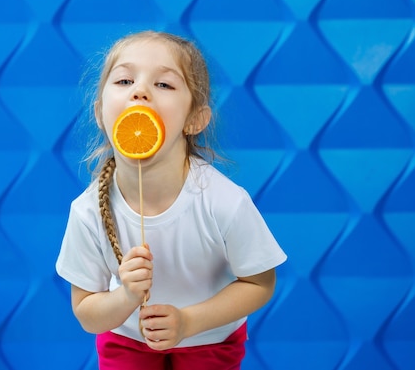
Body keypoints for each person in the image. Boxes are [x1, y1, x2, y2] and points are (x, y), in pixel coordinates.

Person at [56, 30, 287, 370]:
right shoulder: (87, 211)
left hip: (209, 339)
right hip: (127, 340)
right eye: (123, 80)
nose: (140, 92)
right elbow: (88, 315)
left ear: (195, 120)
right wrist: (127, 297)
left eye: (163, 85)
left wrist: (189, 322)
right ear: (100, 112)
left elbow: (261, 283)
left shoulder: (224, 202)